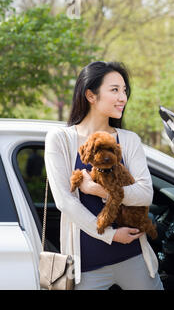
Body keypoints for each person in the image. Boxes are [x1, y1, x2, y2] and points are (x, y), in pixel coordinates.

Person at [44, 61, 163, 290]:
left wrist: (97, 190)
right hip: (86, 267)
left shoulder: (129, 140)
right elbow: (65, 201)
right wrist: (110, 235)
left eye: (125, 91)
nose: (123, 98)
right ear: (91, 95)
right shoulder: (59, 139)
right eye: (114, 90)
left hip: (134, 257)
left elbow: (145, 194)